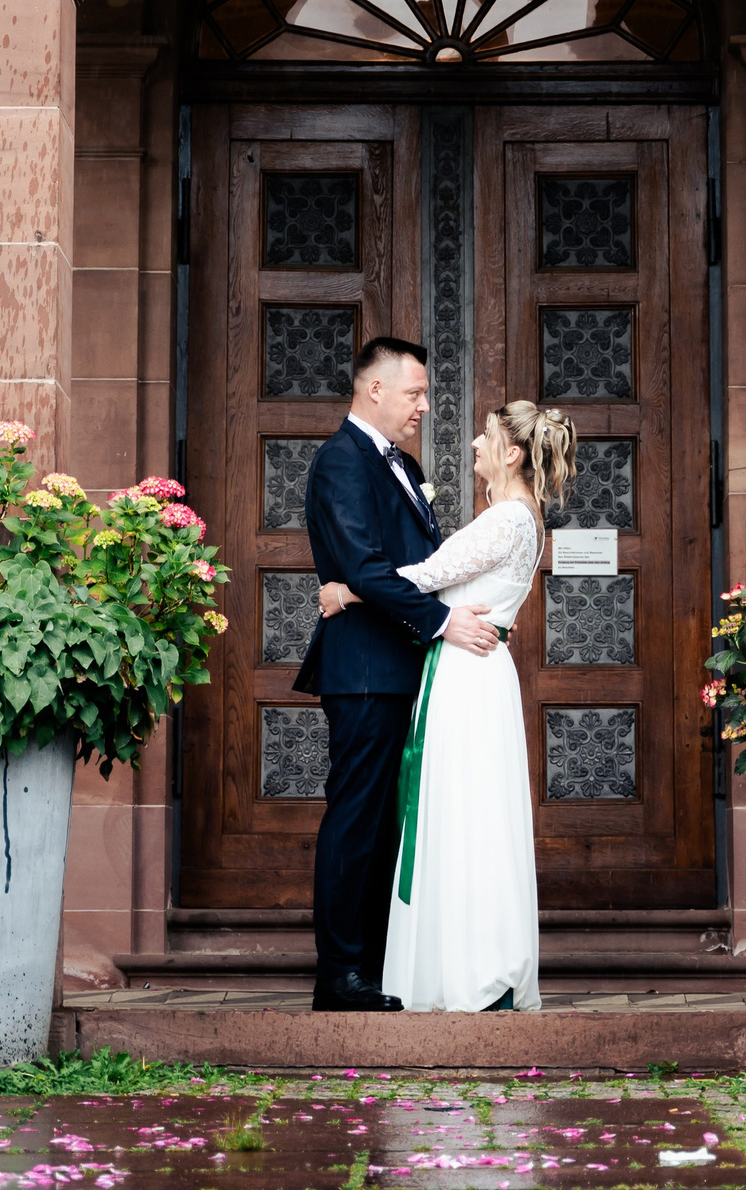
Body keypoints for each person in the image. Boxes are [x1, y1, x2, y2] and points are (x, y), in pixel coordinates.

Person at [317, 400, 574, 1013]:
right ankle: (473, 963)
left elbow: (426, 574)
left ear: (512, 453)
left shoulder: (508, 519)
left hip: (467, 674)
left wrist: (345, 588)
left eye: (485, 438)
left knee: (464, 815)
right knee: (469, 814)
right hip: (472, 670)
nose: (475, 447)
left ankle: (474, 971)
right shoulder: (519, 518)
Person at [299, 337, 500, 1014]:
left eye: (423, 393)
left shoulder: (403, 466)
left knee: (390, 822)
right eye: (414, 392)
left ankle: (382, 963)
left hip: (402, 666)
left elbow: (421, 564)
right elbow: (364, 567)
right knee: (357, 818)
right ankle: (340, 975)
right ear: (373, 390)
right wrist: (444, 624)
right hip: (363, 669)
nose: (423, 406)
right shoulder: (341, 462)